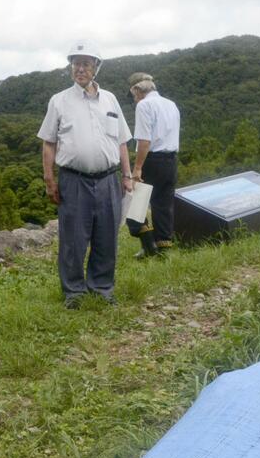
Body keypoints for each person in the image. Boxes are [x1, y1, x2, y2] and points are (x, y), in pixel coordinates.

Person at [37, 40, 134, 308]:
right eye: (76, 63)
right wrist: (49, 180)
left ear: (96, 68)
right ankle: (74, 293)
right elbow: (48, 142)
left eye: (86, 64)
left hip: (108, 179)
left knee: (107, 237)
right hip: (74, 179)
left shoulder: (111, 100)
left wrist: (127, 176)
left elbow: (122, 141)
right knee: (73, 239)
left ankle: (102, 288)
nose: (80, 68)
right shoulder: (59, 101)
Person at [128, 72, 180, 257]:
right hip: (171, 161)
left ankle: (149, 247)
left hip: (152, 161)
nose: (134, 99)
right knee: (163, 205)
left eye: (133, 94)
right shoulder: (171, 104)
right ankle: (165, 250)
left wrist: (137, 168)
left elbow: (144, 141)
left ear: (137, 89)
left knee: (135, 205)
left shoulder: (144, 105)